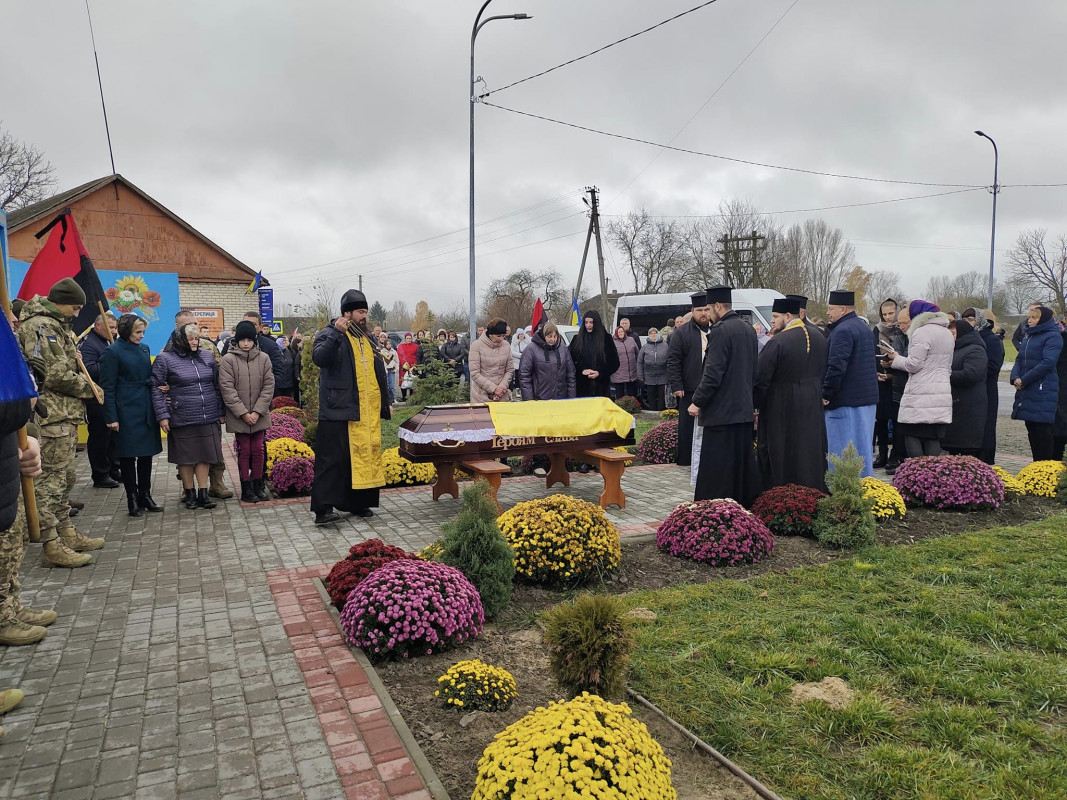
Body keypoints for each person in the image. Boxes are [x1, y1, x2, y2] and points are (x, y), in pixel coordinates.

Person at [16, 278, 101, 567]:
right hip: (51, 416)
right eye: (75, 307)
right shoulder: (43, 326)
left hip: (63, 415)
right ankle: (51, 544)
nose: (77, 314)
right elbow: (52, 375)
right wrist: (90, 388)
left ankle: (65, 532)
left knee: (63, 480)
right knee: (50, 484)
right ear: (60, 301)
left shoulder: (56, 325)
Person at [310, 289, 391, 525]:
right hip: (338, 407)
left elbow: (379, 372)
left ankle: (358, 502)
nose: (364, 316)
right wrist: (337, 333)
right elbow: (320, 359)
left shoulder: (365, 337)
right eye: (360, 312)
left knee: (363, 455)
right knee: (332, 460)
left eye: (365, 312)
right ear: (347, 313)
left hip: (365, 409)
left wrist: (385, 403)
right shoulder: (329, 333)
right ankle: (323, 509)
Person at [0, 318, 54, 647]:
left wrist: (28, 437)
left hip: (6, 466)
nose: (14, 322)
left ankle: (9, 608)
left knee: (10, 544)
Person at [689, 286, 760, 505]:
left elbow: (712, 374)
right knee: (740, 469)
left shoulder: (719, 331)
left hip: (721, 414)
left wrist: (697, 401)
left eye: (709, 310)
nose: (708, 315)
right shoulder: (748, 330)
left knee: (717, 472)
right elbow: (754, 372)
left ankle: (714, 512)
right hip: (743, 411)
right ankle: (741, 508)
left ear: (718, 307)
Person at [754, 297, 829, 492]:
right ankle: (813, 492)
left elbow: (761, 379)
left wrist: (756, 403)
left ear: (788, 316)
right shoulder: (820, 336)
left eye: (775, 316)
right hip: (812, 402)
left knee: (784, 451)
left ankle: (784, 496)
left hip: (782, 406)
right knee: (809, 449)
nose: (772, 321)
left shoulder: (777, 341)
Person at [153, 324, 226, 510]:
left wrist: (220, 411)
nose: (195, 342)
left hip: (207, 414)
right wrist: (163, 415)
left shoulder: (206, 356)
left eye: (196, 339)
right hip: (181, 415)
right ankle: (190, 493)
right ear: (180, 340)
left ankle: (203, 493)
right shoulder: (165, 359)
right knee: (186, 457)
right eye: (190, 339)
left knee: (204, 455)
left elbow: (216, 386)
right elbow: (156, 388)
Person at [98, 314, 164, 517]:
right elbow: (107, 387)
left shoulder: (144, 349)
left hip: (145, 405)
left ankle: (146, 494)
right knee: (127, 456)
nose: (142, 336)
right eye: (138, 332)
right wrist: (111, 416)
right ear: (126, 331)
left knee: (146, 453)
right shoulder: (112, 352)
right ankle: (132, 498)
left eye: (143, 331)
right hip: (125, 407)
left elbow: (149, 376)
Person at [169, 310, 234, 499]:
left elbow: (220, 377)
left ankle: (216, 483)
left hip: (208, 407)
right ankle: (187, 488)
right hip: (184, 409)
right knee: (185, 450)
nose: (193, 329)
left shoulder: (207, 347)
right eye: (188, 324)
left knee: (212, 447)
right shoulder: (169, 348)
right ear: (178, 326)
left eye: (195, 324)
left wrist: (221, 407)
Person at [885, 300, 953, 458]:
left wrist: (895, 358)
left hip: (920, 393)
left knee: (912, 434)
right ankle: (932, 477)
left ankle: (916, 476)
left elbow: (914, 364)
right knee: (933, 436)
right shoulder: (947, 332)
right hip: (941, 392)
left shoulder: (921, 332)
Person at [823, 290, 879, 478]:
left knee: (842, 453)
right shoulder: (863, 328)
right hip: (866, 400)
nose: (828, 313)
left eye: (831, 309)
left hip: (845, 401)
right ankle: (866, 489)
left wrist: (826, 394)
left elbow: (836, 366)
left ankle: (844, 495)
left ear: (843, 309)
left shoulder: (842, 331)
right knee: (862, 450)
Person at [220, 320, 275, 503]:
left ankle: (258, 485)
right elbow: (227, 389)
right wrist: (243, 413)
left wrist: (258, 411)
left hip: (259, 414)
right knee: (245, 451)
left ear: (254, 340)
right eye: (242, 340)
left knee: (258, 450)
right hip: (240, 415)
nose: (246, 343)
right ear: (237, 341)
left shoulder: (263, 358)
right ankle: (246, 488)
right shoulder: (228, 360)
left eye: (249, 340)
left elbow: (268, 385)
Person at [1010, 305, 1063, 462]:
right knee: (1032, 429)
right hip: (1027, 390)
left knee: (1042, 431)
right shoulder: (1028, 336)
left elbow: (1048, 362)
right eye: (1029, 317)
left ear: (1043, 319)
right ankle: (1036, 466)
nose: (1030, 320)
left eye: (1034, 317)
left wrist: (1024, 379)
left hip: (1042, 388)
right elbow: (1020, 359)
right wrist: (1015, 377)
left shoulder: (1053, 336)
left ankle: (1044, 468)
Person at [666, 292, 711, 466]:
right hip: (689, 387)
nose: (703, 313)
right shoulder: (682, 333)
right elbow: (673, 360)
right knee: (687, 427)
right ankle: (686, 459)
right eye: (699, 310)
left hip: (711, 387)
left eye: (706, 309)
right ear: (692, 311)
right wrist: (676, 385)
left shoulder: (717, 329)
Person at [78, 312, 121, 488]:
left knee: (113, 437)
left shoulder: (107, 341)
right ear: (98, 326)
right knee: (100, 437)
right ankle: (101, 474)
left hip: (110, 395)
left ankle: (113, 469)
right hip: (96, 397)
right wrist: (110, 364)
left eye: (115, 327)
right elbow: (88, 369)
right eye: (110, 328)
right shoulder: (89, 344)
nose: (114, 331)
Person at [961, 309, 1004, 464]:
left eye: (971, 318)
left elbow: (994, 365)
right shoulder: (966, 338)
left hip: (987, 388)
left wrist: (974, 369)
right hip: (972, 390)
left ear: (979, 319)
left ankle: (986, 459)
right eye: (964, 318)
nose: (967, 321)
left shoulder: (991, 339)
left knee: (986, 425)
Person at [941, 317, 988, 457]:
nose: (950, 337)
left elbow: (971, 374)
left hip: (969, 407)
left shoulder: (975, 350)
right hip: (954, 405)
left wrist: (944, 375)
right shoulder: (953, 349)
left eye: (953, 333)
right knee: (953, 448)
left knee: (967, 449)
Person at [873, 299, 902, 469]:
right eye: (885, 314)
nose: (888, 317)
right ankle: (882, 453)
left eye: (891, 313)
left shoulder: (902, 329)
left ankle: (894, 455)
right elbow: (872, 351)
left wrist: (893, 370)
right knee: (881, 420)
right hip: (881, 381)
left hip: (897, 380)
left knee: (897, 420)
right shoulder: (877, 330)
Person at [519, 322, 576, 401]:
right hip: (539, 400)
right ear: (543, 335)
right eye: (549, 336)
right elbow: (524, 377)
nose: (552, 339)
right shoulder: (531, 350)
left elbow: (570, 375)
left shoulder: (563, 350)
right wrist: (529, 400)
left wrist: (571, 398)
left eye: (555, 336)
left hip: (561, 399)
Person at [569, 310, 619, 399]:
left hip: (601, 388)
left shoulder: (606, 339)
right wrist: (581, 371)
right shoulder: (576, 340)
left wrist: (600, 373)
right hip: (582, 388)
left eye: (591, 322)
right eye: (586, 322)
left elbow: (614, 362)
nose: (588, 325)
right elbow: (570, 361)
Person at [469, 318, 514, 403]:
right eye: (498, 336)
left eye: (503, 336)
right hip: (481, 397)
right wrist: (493, 389)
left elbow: (509, 370)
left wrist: (501, 388)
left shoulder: (506, 345)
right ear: (490, 334)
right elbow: (475, 373)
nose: (501, 339)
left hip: (501, 395)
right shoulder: (476, 346)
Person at [637, 327, 669, 411]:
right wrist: (640, 376)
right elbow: (639, 362)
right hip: (649, 376)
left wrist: (670, 374)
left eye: (655, 333)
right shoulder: (645, 347)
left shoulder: (665, 345)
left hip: (663, 375)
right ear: (649, 335)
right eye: (651, 333)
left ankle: (661, 413)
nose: (653, 335)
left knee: (662, 397)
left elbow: (670, 360)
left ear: (658, 334)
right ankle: (652, 414)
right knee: (651, 397)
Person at [610, 324, 639, 400]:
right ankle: (620, 409)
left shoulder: (631, 340)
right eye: (619, 332)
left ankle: (632, 409)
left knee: (632, 395)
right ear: (616, 333)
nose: (620, 333)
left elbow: (637, 353)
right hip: (618, 373)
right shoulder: (612, 342)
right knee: (620, 396)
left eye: (622, 331)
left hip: (631, 373)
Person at [397, 333, 419, 401]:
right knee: (403, 380)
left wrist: (414, 365)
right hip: (403, 366)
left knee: (412, 380)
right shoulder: (401, 346)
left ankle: (411, 396)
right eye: (407, 338)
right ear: (405, 339)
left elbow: (417, 356)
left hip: (412, 365)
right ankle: (404, 397)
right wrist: (404, 363)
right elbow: (399, 355)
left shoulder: (415, 346)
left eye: (410, 338)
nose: (409, 340)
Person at [380, 337, 399, 403]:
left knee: (392, 386)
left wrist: (396, 369)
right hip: (386, 370)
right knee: (386, 385)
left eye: (390, 344)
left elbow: (397, 361)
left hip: (392, 370)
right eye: (387, 344)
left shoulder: (394, 352)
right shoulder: (382, 352)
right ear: (385, 345)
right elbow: (383, 362)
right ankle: (387, 399)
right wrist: (385, 371)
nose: (388, 345)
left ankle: (394, 398)